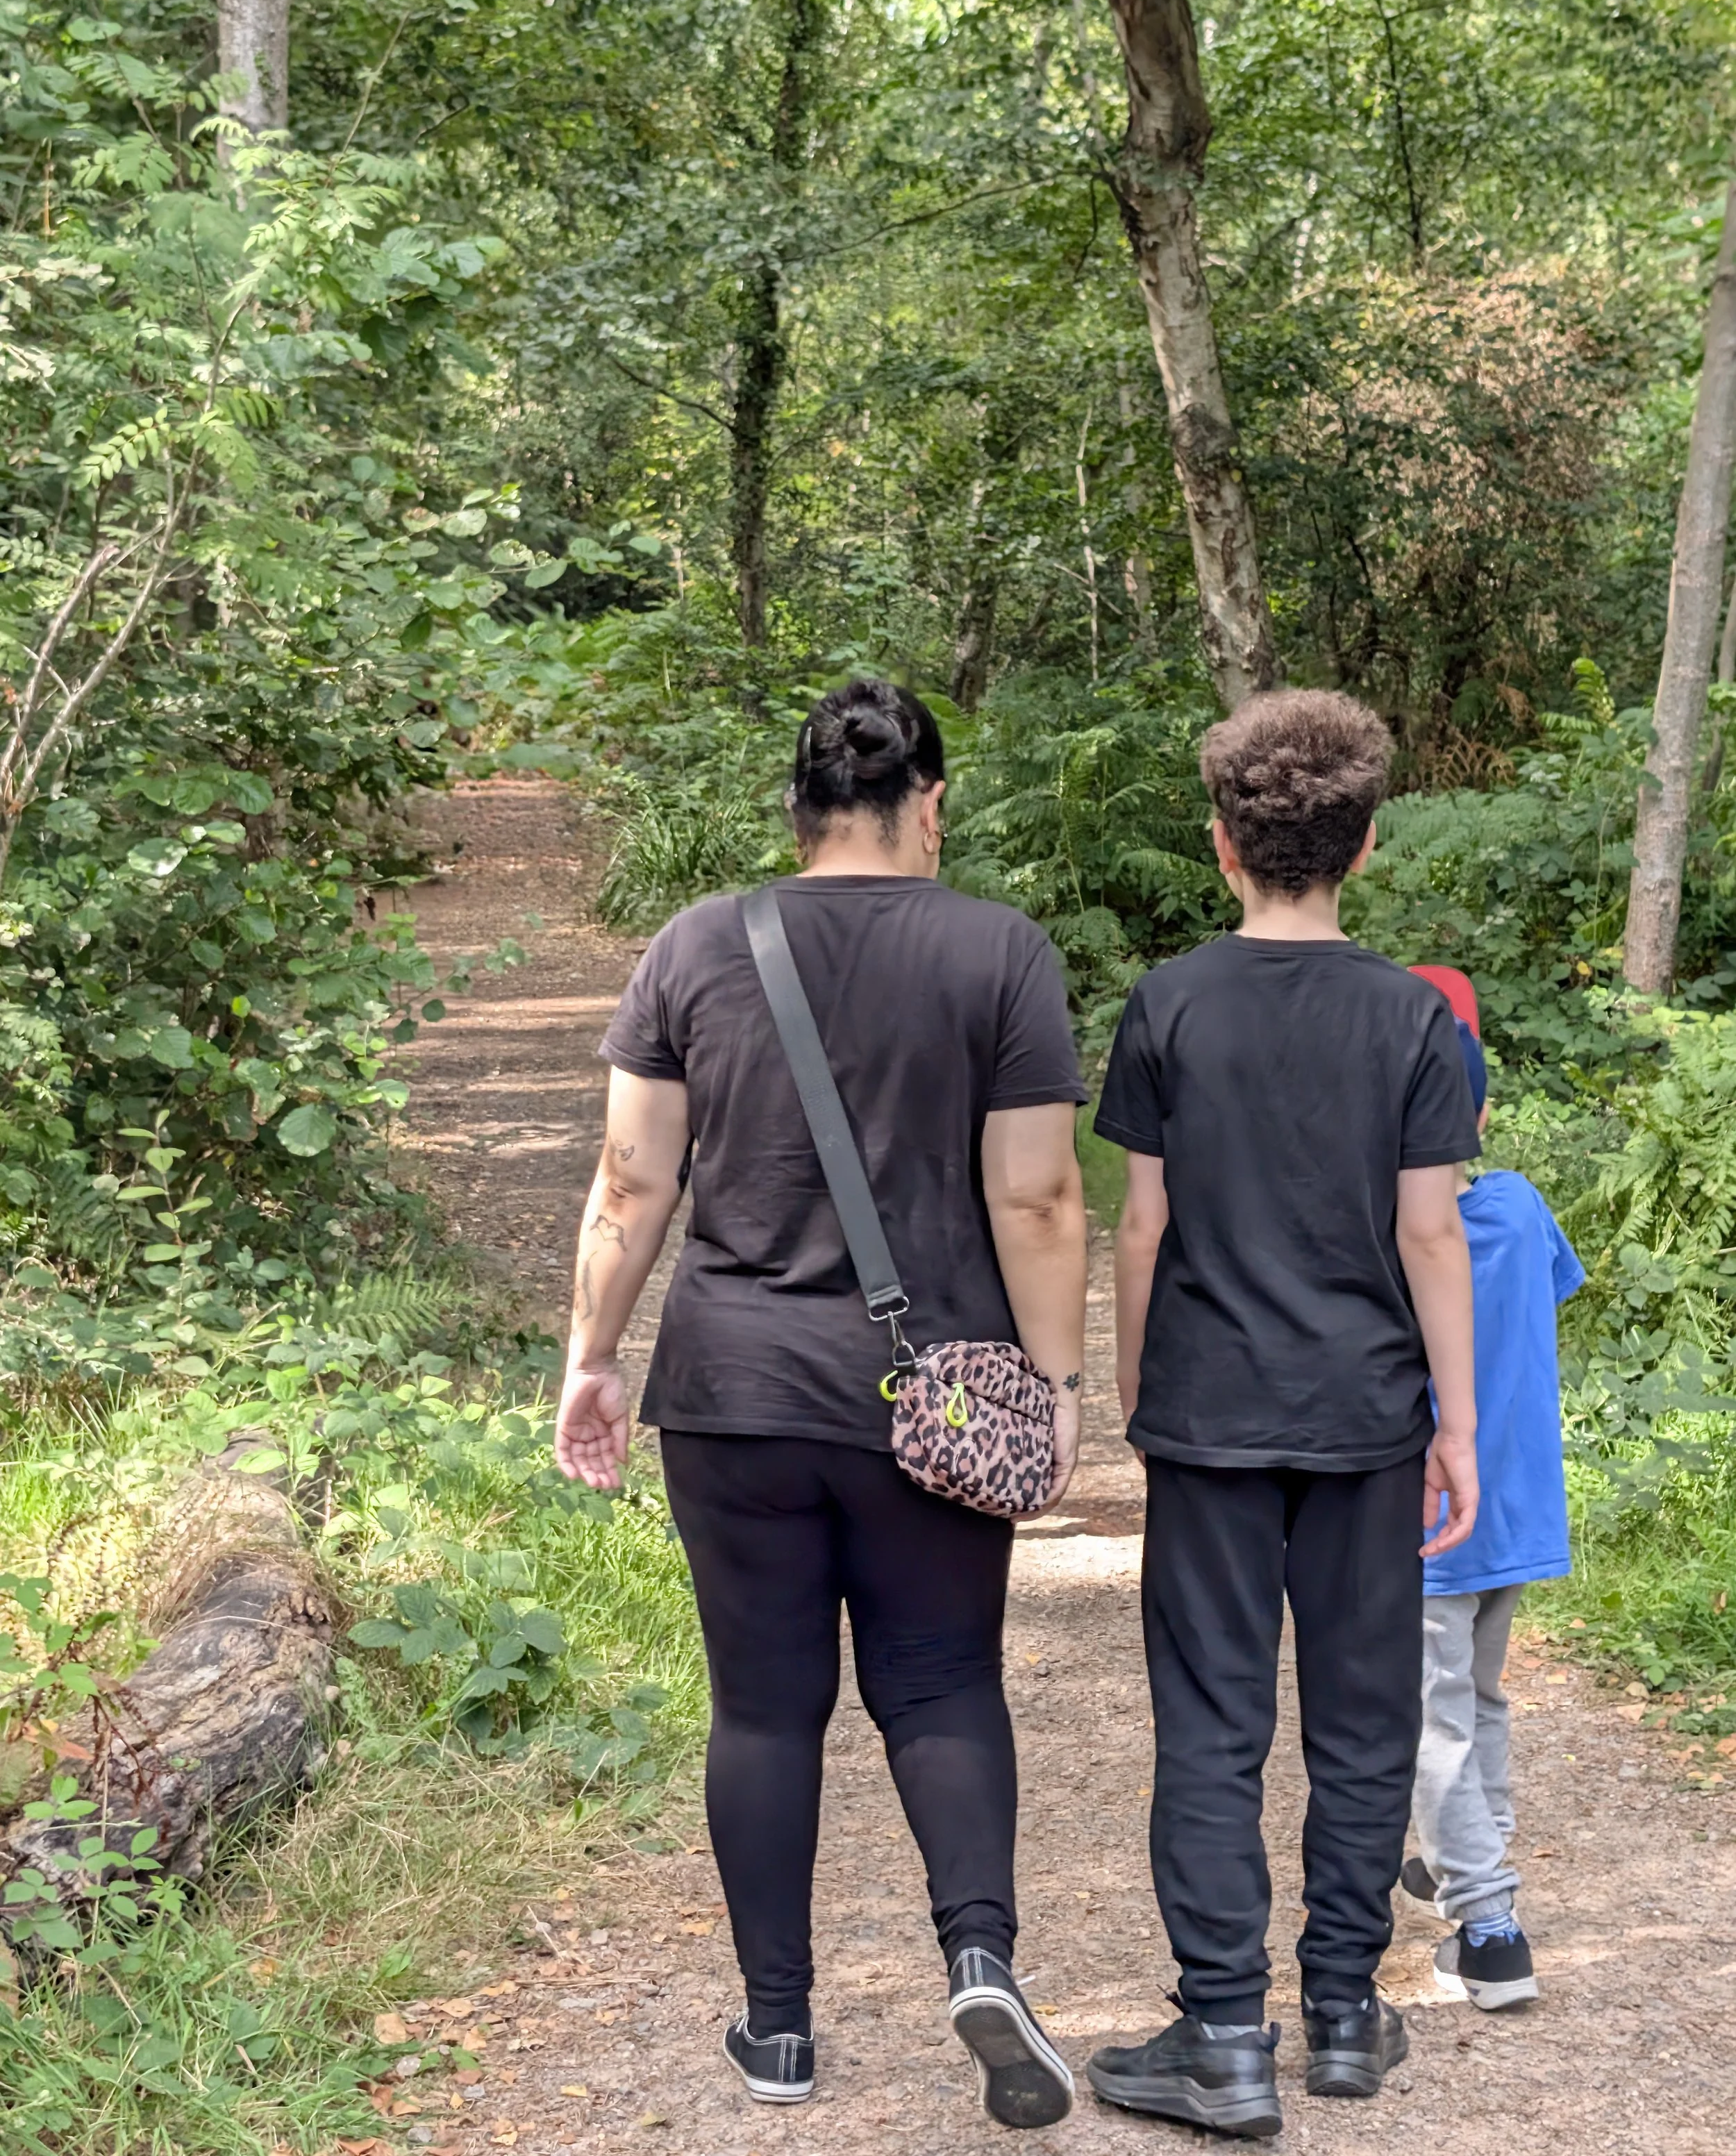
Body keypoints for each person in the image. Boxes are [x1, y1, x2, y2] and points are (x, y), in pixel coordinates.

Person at [553, 680, 1088, 2130]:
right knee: (941, 1680)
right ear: (928, 807)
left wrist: (590, 1354)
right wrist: (1054, 1380)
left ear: (796, 815)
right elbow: (1034, 1191)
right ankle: (978, 1953)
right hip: (934, 1398)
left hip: (732, 1387)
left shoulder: (692, 947)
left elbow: (630, 1181)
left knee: (765, 1710)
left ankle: (776, 2031)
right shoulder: (1000, 952)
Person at [1085, 688, 1483, 2141]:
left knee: (1209, 1720)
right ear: (1364, 846)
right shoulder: (1407, 1018)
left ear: (1220, 844)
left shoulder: (1167, 1003)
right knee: (1362, 1714)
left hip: (1210, 1411)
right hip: (1366, 1414)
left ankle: (1214, 2036)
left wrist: (1138, 1384)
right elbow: (1429, 1234)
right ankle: (1335, 2011)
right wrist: (1456, 1423)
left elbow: (1143, 1224)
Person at [1398, 978, 1585, 2012]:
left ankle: (1491, 1925)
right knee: (1479, 1701)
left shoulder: (1386, 1239)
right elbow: (1553, 1288)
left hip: (1427, 1524)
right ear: (1475, 1114)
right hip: (1519, 1512)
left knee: (1433, 1721)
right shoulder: (1518, 1207)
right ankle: (1456, 1868)